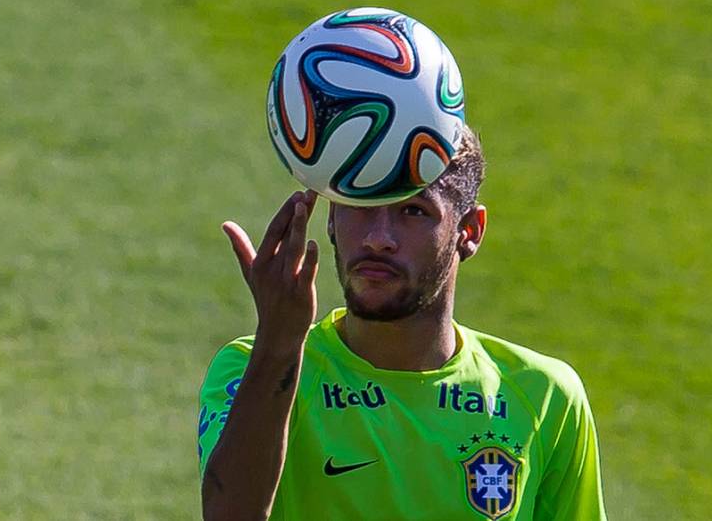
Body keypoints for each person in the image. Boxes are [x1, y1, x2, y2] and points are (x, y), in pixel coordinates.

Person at [198, 127, 607, 520]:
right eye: (360, 205)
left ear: (469, 231)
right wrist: (278, 345)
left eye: (413, 210)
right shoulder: (252, 367)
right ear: (331, 218)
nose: (378, 238)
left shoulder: (544, 397)